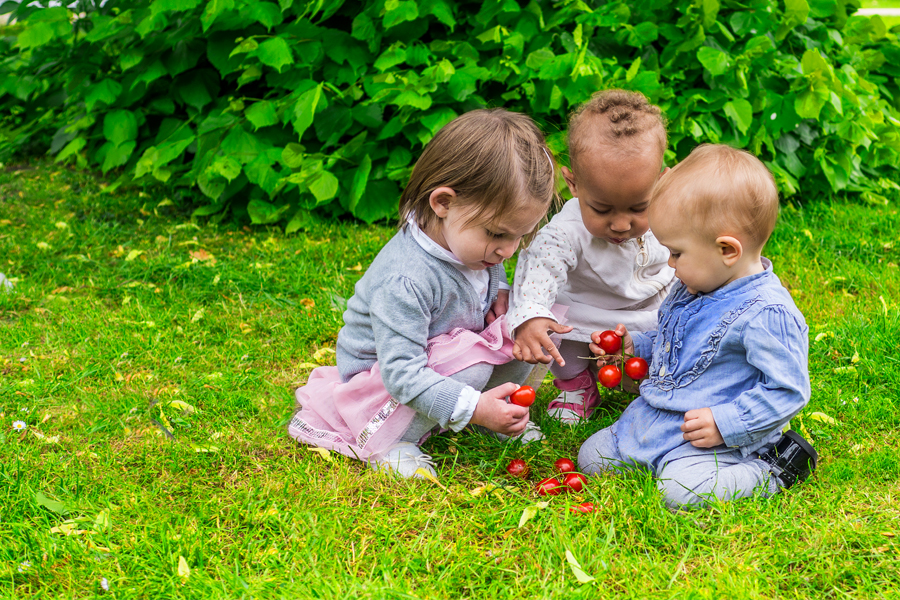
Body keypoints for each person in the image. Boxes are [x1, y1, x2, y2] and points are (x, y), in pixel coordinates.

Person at [289, 109, 557, 479]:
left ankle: (492, 413)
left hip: (447, 350)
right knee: (474, 369)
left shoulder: (469, 242)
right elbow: (402, 374)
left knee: (528, 328)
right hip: (384, 383)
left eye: (519, 236)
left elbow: (493, 270)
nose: (507, 251)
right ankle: (394, 442)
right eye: (497, 234)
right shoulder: (406, 279)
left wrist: (505, 294)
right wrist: (472, 404)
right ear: (443, 203)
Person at [578, 144, 818, 508]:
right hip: (656, 420)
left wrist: (726, 422)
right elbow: (675, 341)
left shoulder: (766, 313)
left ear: (727, 250)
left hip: (710, 438)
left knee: (680, 493)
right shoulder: (696, 283)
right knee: (591, 458)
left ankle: (772, 470)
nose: (670, 264)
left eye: (676, 253)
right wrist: (636, 348)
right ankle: (657, 456)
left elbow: (788, 389)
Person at [508, 90, 675, 423]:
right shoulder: (566, 232)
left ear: (661, 183)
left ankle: (648, 380)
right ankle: (575, 385)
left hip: (648, 313)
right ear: (573, 184)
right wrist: (532, 315)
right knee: (558, 333)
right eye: (601, 208)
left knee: (672, 339)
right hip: (585, 316)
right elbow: (538, 269)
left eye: (638, 207)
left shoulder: (671, 215)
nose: (621, 224)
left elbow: (689, 256)